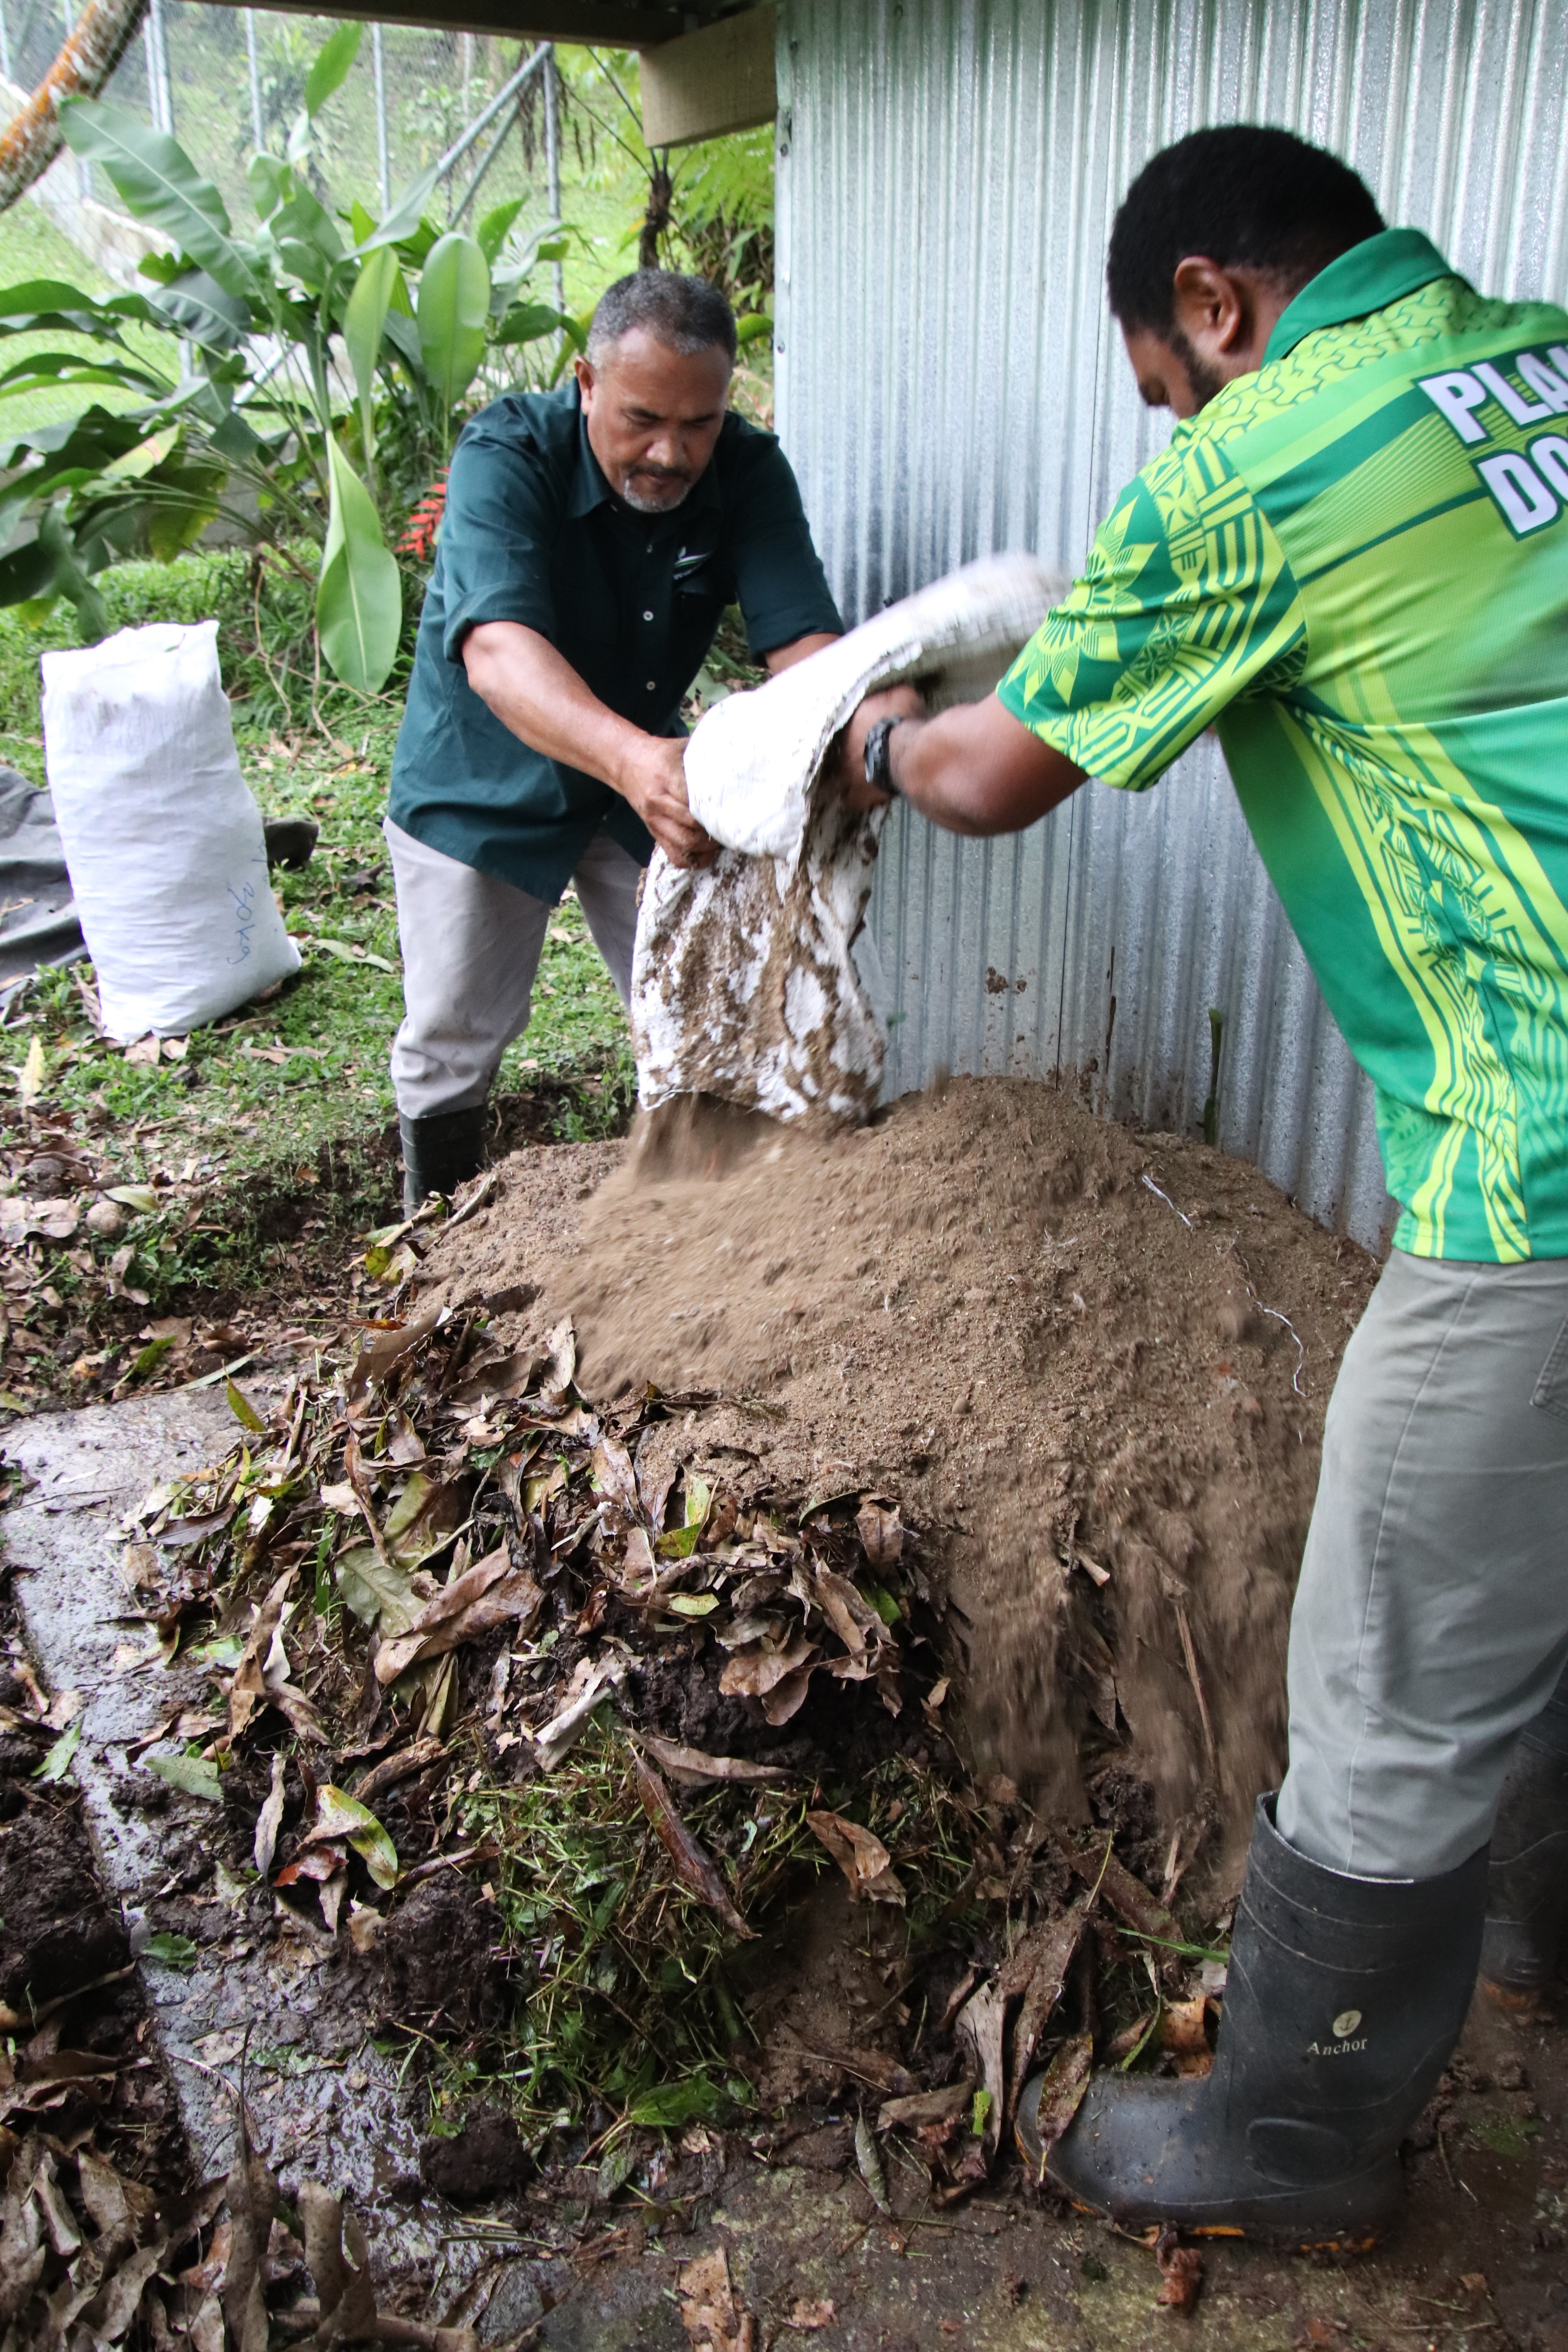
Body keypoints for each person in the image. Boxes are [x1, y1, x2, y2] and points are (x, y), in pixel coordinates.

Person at [835, 123, 1568, 2241]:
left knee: (1390, 1667)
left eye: (1169, 380)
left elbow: (987, 775)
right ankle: (1536, 1931)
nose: (1175, 420)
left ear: (1220, 308)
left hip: (1540, 1154)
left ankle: (1298, 2141)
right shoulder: (1533, 364)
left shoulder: (1260, 471)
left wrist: (860, 731)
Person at [386, 270, 842, 1213]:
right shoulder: (506, 454)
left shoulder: (746, 472)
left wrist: (854, 735)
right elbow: (500, 656)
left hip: (641, 772)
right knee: (455, 1030)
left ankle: (708, 1232)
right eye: (640, 418)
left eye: (698, 424)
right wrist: (635, 760)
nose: (670, 454)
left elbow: (806, 652)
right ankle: (435, 1245)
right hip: (481, 775)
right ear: (585, 380)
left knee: (706, 1004)